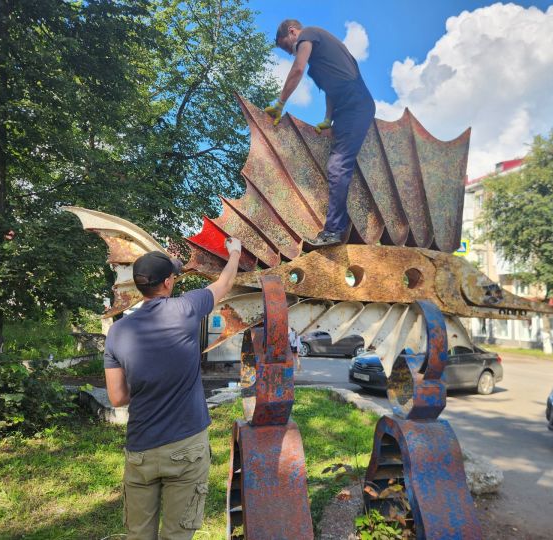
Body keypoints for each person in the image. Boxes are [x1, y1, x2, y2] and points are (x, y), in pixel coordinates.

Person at [104, 238, 242, 540]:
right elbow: (225, 282)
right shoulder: (186, 308)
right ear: (168, 282)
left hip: (141, 447)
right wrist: (235, 252)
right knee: (177, 535)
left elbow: (117, 397)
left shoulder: (118, 331)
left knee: (139, 535)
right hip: (186, 445)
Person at [266, 19, 376, 250]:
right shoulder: (320, 62)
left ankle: (334, 230)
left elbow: (297, 69)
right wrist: (328, 119)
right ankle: (337, 226)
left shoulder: (310, 35)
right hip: (345, 108)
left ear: (293, 32)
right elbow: (331, 90)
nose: (290, 52)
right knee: (335, 164)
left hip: (356, 104)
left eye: (287, 46)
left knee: (338, 165)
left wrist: (280, 102)